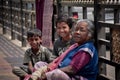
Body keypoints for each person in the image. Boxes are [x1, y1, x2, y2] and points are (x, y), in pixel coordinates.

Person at [25, 19, 98, 80]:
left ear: (89, 34)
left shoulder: (86, 49)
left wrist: (50, 71)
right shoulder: (76, 45)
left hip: (76, 77)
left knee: (56, 74)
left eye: (81, 30)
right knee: (39, 64)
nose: (77, 32)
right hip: (62, 69)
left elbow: (72, 69)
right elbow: (59, 58)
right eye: (76, 29)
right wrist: (50, 66)